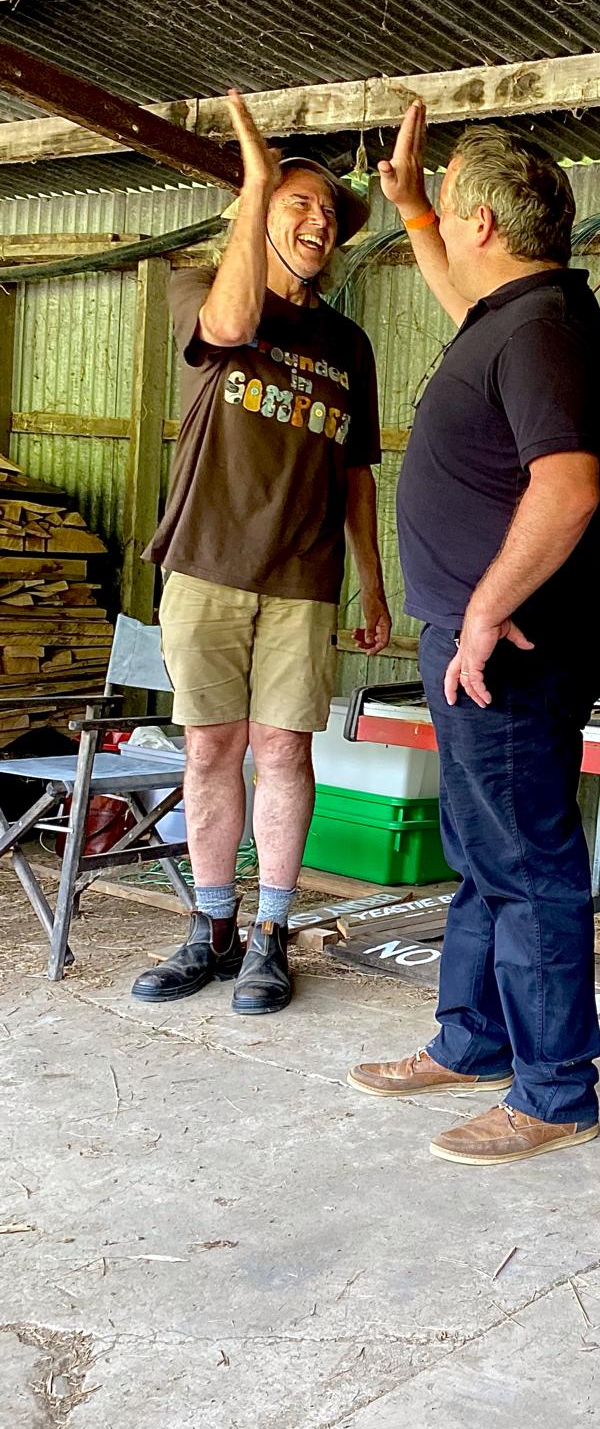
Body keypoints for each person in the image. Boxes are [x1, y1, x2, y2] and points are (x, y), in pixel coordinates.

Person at [348, 104, 600, 1166]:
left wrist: (487, 608)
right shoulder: (513, 310)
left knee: (527, 862)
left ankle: (554, 1092)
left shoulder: (542, 328)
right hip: (479, 637)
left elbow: (568, 484)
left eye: (451, 206)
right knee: (482, 853)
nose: (443, 229)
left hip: (510, 645)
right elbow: (458, 285)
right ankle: (472, 1041)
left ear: (488, 224)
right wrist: (415, 205)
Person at [131, 92, 391, 1016]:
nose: (319, 222)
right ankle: (210, 926)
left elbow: (356, 467)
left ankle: (272, 933)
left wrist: (374, 581)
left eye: (328, 214)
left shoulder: (347, 343)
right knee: (210, 749)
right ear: (260, 217)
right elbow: (235, 326)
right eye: (299, 206)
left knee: (283, 749)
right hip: (203, 562)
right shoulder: (196, 290)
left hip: (304, 576)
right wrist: (253, 183)